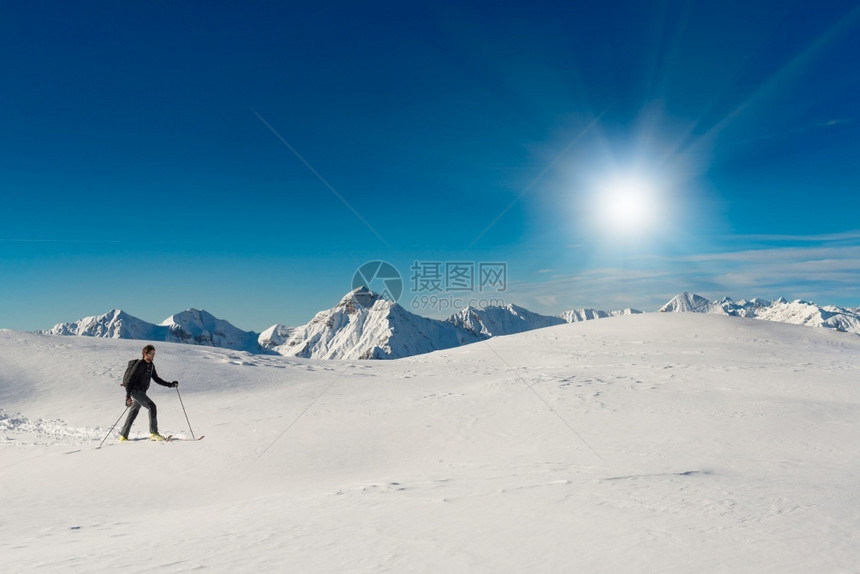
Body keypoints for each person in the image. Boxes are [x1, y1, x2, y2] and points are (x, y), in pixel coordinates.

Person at [119, 345, 179, 441]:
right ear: (145, 354)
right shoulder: (139, 364)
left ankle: (123, 435)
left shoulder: (151, 365)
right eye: (151, 354)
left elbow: (156, 379)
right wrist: (128, 396)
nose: (153, 355)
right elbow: (130, 379)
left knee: (133, 412)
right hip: (135, 391)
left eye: (154, 354)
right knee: (152, 406)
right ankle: (154, 433)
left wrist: (170, 384)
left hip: (142, 392)